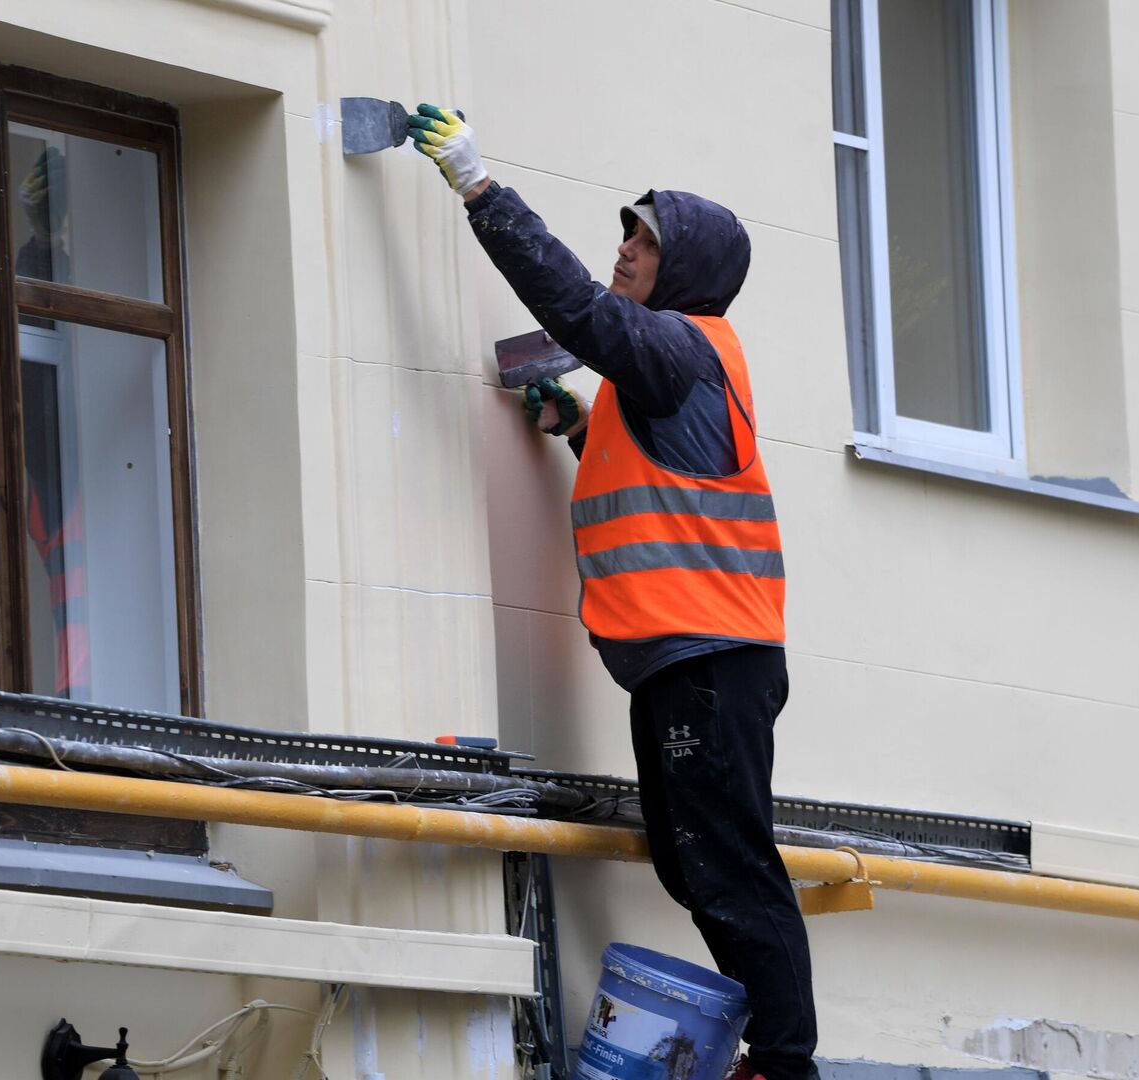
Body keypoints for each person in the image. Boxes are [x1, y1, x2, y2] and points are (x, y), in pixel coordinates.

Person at [409, 104, 818, 1080]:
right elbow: (669, 490)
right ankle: (775, 1052)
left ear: (685, 270)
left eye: (646, 238)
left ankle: (787, 1063)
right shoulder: (673, 375)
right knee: (693, 861)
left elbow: (582, 316)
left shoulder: (680, 346)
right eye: (628, 232)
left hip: (709, 664)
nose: (627, 248)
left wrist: (480, 188)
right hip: (692, 666)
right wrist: (583, 431)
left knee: (726, 865)